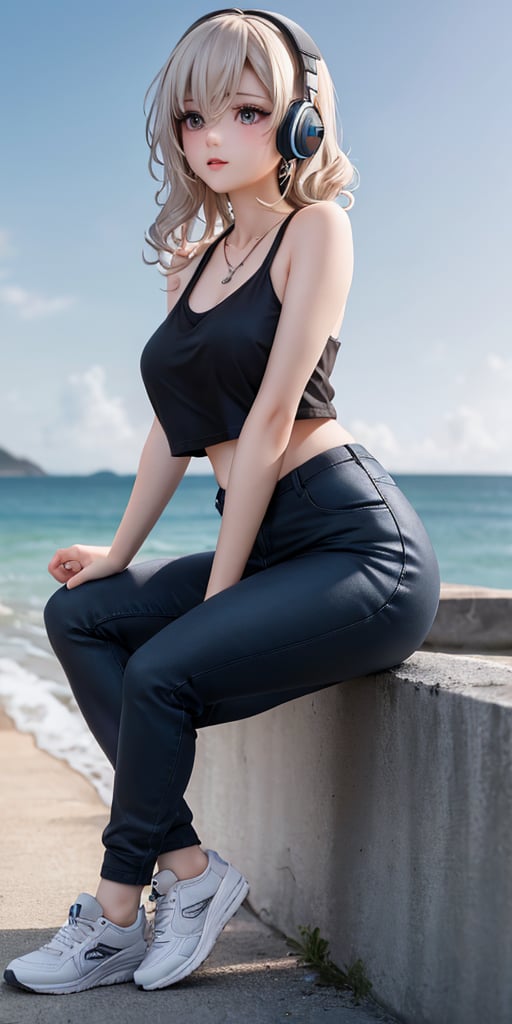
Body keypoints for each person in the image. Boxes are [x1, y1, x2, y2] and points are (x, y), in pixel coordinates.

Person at [4, 8, 440, 995]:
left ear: (298, 119)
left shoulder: (314, 231)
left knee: (161, 669)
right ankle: (191, 874)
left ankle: (117, 911)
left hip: (357, 549)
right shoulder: (187, 266)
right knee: (81, 612)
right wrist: (120, 551)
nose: (212, 137)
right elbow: (173, 425)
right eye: (194, 117)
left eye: (243, 110)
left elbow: (276, 414)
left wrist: (225, 588)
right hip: (273, 538)